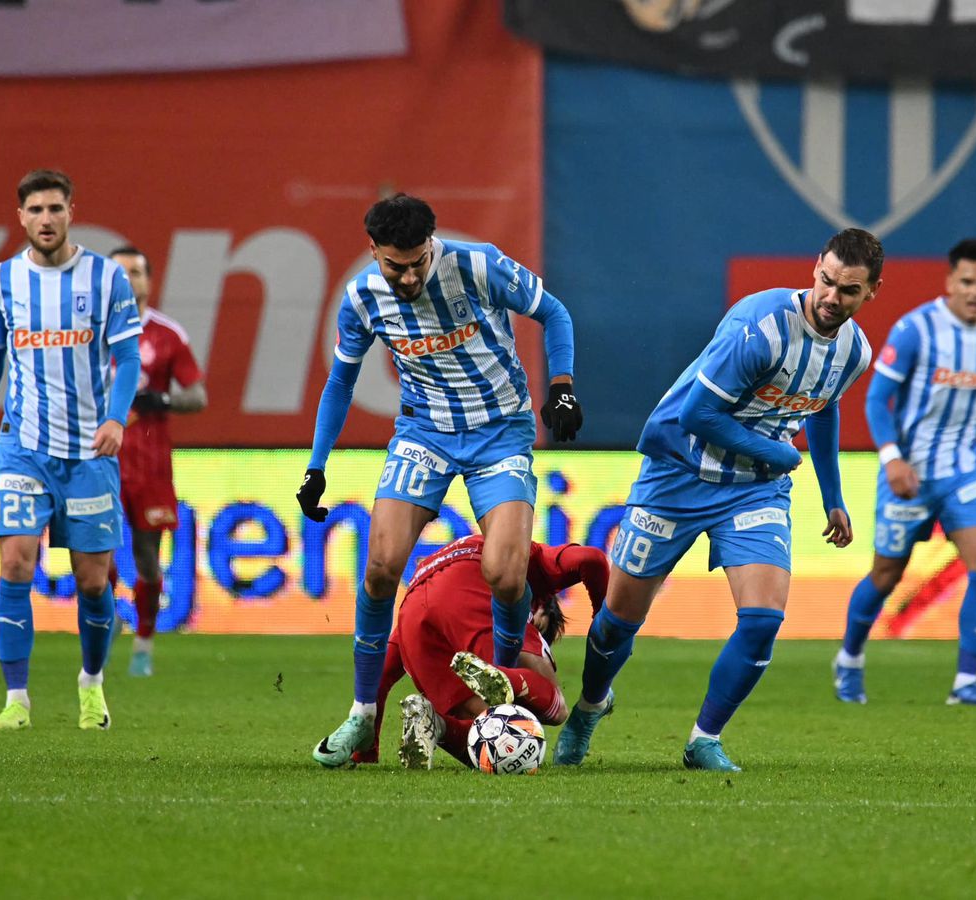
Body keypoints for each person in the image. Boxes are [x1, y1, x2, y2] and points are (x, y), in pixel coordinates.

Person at [554, 228, 883, 772]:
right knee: (617, 620)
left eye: (848, 290)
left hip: (754, 487)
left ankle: (703, 739)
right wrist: (777, 453)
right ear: (815, 269)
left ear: (870, 292)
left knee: (762, 619)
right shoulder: (762, 328)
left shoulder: (854, 352)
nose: (831, 297)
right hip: (678, 472)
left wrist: (833, 496)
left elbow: (822, 408)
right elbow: (697, 415)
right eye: (826, 281)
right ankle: (590, 707)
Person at [300, 194, 583, 768]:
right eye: (393, 265)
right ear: (373, 252)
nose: (406, 276)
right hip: (423, 433)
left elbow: (555, 313)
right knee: (380, 567)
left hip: (500, 429)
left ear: (432, 245)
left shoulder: (479, 265)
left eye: (417, 263)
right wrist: (317, 464)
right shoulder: (360, 298)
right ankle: (362, 714)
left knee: (505, 575)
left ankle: (501, 692)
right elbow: (340, 383)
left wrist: (561, 385)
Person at [0, 169, 142, 731]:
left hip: (89, 453)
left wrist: (115, 418)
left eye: (55, 208)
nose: (46, 219)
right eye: (35, 210)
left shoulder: (106, 278)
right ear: (21, 218)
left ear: (71, 212)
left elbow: (127, 358)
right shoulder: (1, 281)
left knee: (93, 581)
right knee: (14, 563)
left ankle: (91, 683)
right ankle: (16, 700)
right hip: (22, 447)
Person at [833, 238, 976, 707]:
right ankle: (849, 659)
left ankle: (965, 684)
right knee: (885, 575)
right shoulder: (916, 329)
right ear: (950, 282)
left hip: (964, 470)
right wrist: (892, 458)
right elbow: (877, 399)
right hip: (908, 472)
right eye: (967, 281)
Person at [353, 535, 609, 769]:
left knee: (492, 724)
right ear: (541, 606)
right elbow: (591, 558)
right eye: (539, 629)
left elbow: (382, 672)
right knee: (557, 709)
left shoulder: (446, 574)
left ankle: (435, 724)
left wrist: (365, 752)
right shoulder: (534, 566)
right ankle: (505, 678)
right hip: (472, 581)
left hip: (411, 608)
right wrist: (604, 623)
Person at [108, 246, 207, 678]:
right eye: (119, 272)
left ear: (148, 280)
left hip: (149, 463)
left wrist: (160, 399)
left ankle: (143, 645)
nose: (128, 280)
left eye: (135, 272)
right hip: (101, 460)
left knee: (147, 557)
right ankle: (104, 618)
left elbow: (197, 396)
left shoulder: (167, 334)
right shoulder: (88, 332)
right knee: (97, 555)